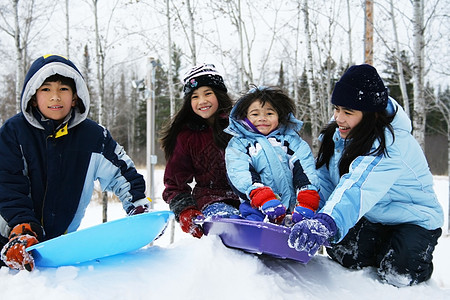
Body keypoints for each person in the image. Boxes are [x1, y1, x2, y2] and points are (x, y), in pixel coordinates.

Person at [288, 64, 444, 287]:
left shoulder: (392, 143)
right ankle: (381, 246)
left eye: (348, 112)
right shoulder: (337, 135)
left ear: (371, 115)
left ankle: (413, 255)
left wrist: (327, 222)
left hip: (413, 220)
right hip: (373, 216)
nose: (339, 118)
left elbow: (357, 186)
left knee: (398, 273)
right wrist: (306, 212)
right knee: (344, 254)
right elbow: (324, 181)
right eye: (337, 109)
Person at [0, 54, 150, 271]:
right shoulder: (14, 133)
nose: (55, 97)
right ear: (33, 97)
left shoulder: (94, 137)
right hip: (9, 239)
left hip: (59, 246)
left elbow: (122, 173)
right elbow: (7, 184)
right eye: (46, 89)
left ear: (75, 97)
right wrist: (22, 228)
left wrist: (137, 206)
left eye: (63, 89)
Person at [160, 64, 240, 238]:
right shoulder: (186, 136)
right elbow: (174, 182)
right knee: (228, 226)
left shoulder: (240, 127)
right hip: (211, 199)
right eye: (195, 96)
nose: (202, 101)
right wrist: (185, 210)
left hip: (250, 198)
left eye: (208, 93)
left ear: (219, 95)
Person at [225, 86, 320, 224]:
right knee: (253, 218)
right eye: (255, 114)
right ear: (245, 117)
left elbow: (305, 167)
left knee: (309, 221)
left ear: (279, 116)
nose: (262, 118)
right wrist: (260, 195)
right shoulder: (240, 144)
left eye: (269, 114)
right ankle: (247, 232)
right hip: (258, 204)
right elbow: (239, 170)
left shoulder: (291, 141)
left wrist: (307, 194)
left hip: (294, 206)